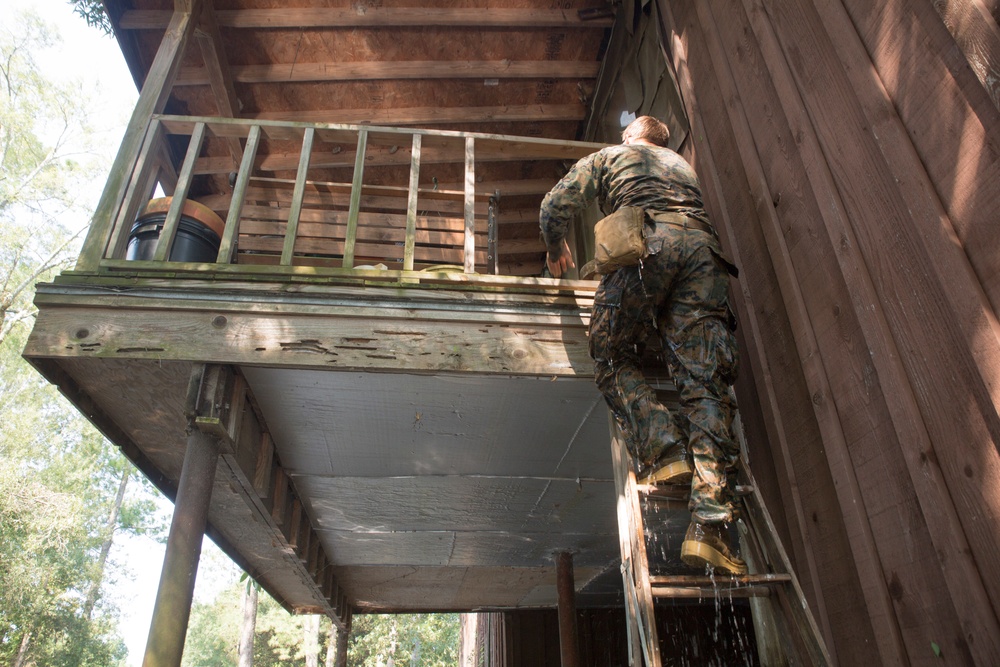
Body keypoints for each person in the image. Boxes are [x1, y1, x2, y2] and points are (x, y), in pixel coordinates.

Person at [539, 116, 746, 575]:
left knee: (610, 354)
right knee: (705, 386)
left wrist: (555, 248)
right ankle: (709, 526)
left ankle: (664, 450)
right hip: (704, 256)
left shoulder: (614, 156)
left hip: (648, 245)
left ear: (633, 137)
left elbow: (553, 206)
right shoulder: (681, 166)